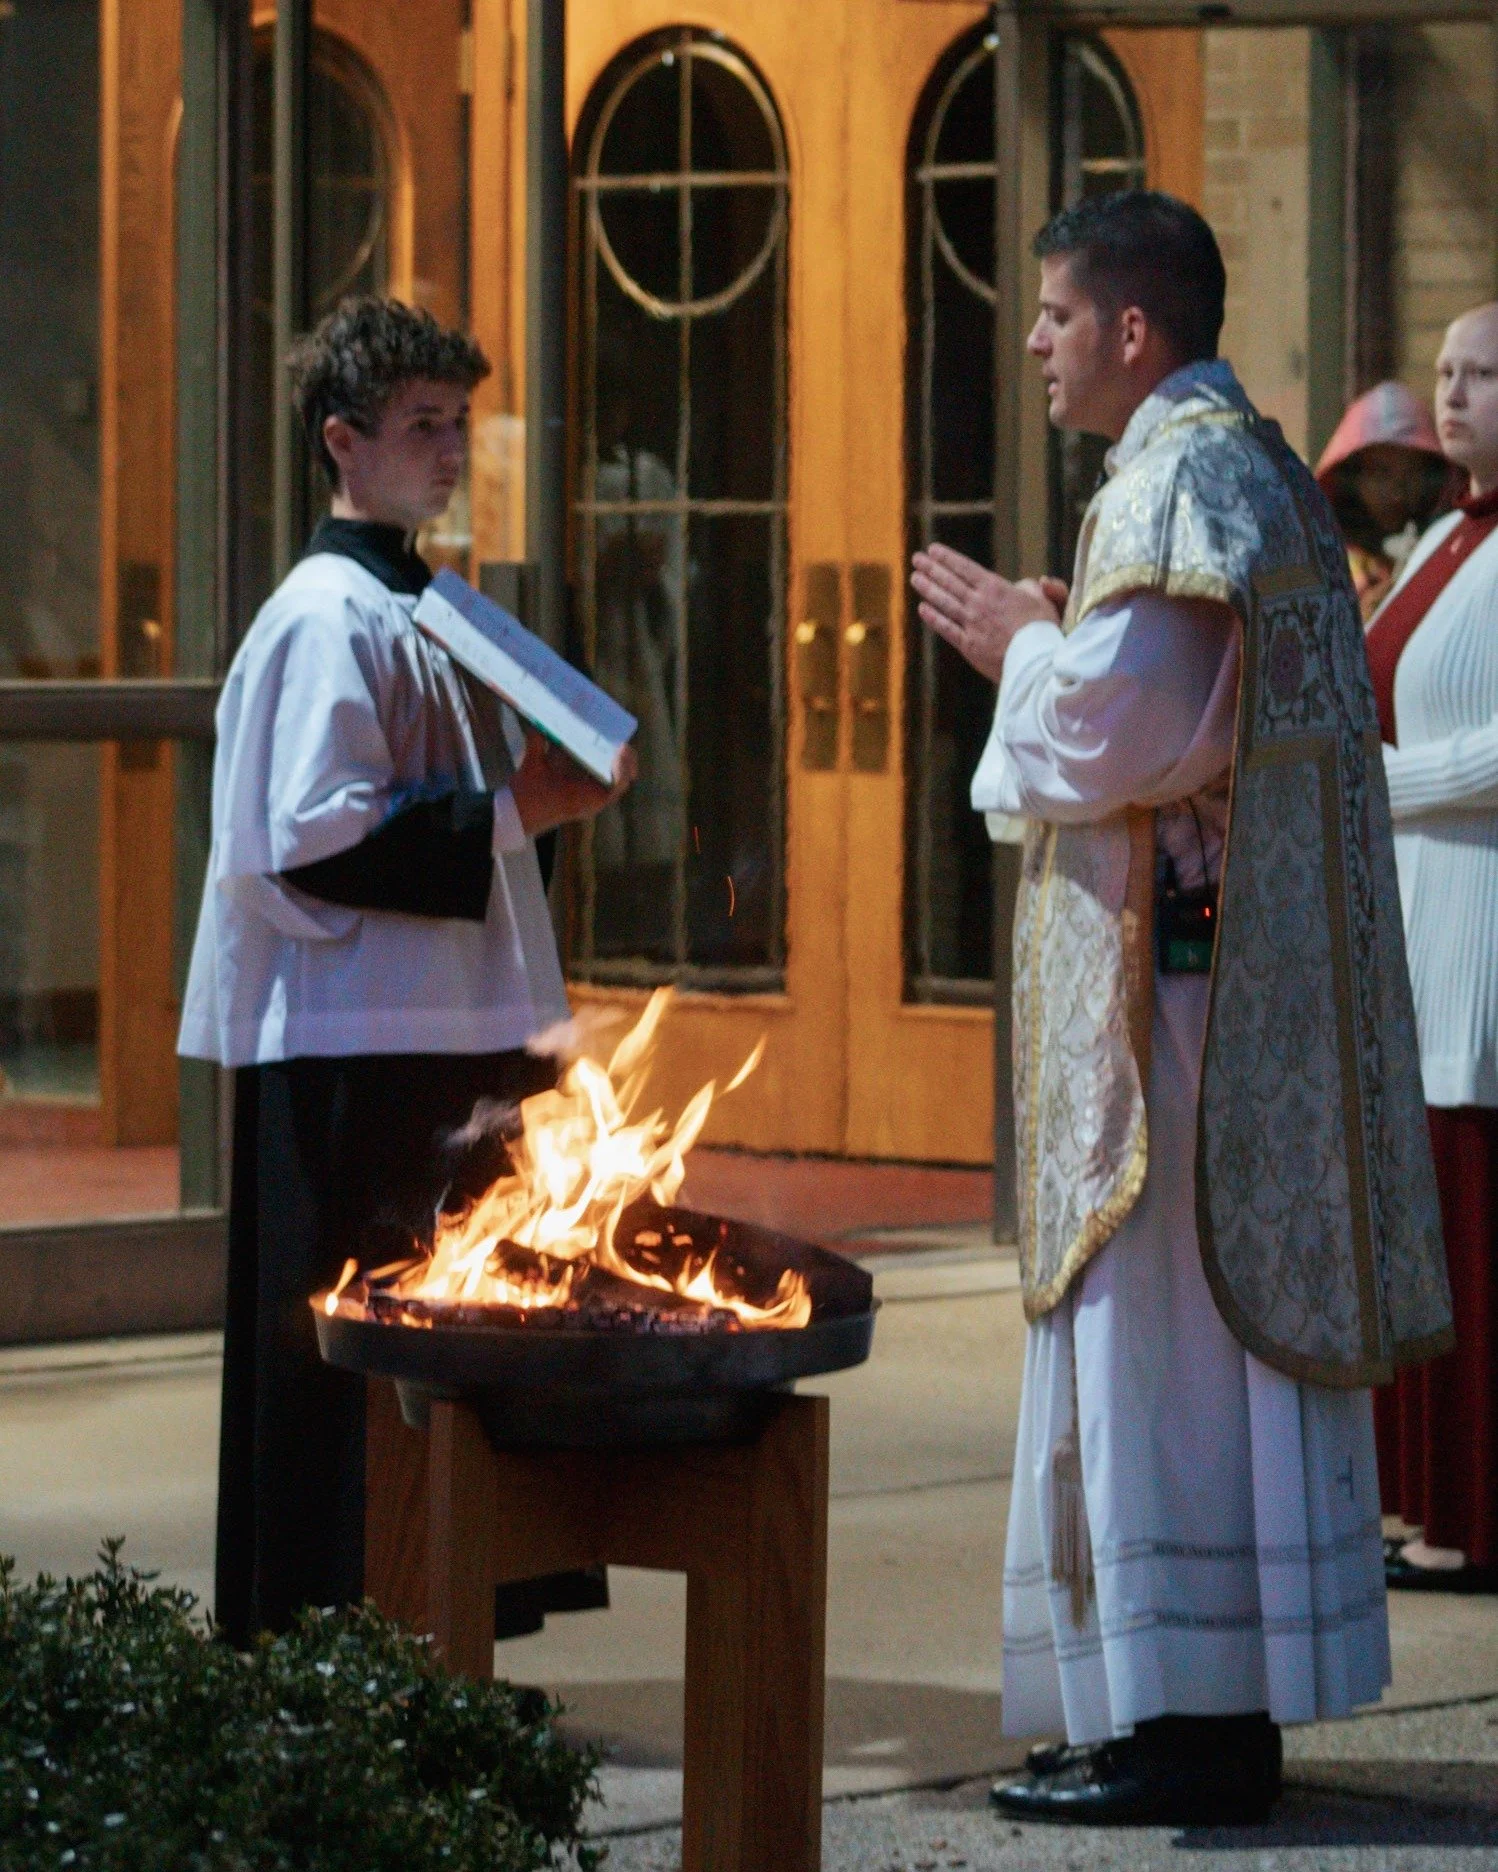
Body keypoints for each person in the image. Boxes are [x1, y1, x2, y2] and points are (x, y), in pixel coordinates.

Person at [912, 191, 1451, 1827]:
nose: (1032, 343)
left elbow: (1120, 733)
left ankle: (1187, 1717)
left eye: (1054, 316)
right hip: (1214, 1002)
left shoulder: (1184, 478)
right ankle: (1172, 1702)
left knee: (1157, 1361)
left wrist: (1017, 645)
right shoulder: (1246, 467)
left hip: (1181, 1035)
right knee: (1177, 1365)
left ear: (1130, 330)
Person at [179, 296, 635, 1645]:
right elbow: (299, 841)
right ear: (341, 440)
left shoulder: (429, 606)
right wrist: (517, 811)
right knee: (358, 1364)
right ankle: (338, 1643)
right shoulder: (325, 618)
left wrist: (540, 795)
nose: (449, 450)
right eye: (421, 426)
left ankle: (443, 1635)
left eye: (457, 424)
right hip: (353, 1052)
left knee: (464, 1347)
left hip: (443, 1033)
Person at [1368, 302, 1498, 1594]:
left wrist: (1379, 788)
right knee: (1423, 1231)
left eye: (1482, 374)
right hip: (1417, 920)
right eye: (1445, 371)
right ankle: (1419, 1500)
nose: (1451, 394)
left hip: (1482, 935)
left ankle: (1475, 1514)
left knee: (1472, 1227)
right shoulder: (1442, 541)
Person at [1314, 381, 1452, 620]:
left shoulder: (1446, 550)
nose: (1398, 491)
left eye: (1413, 474)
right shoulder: (1325, 564)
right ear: (1352, 476)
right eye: (1381, 474)